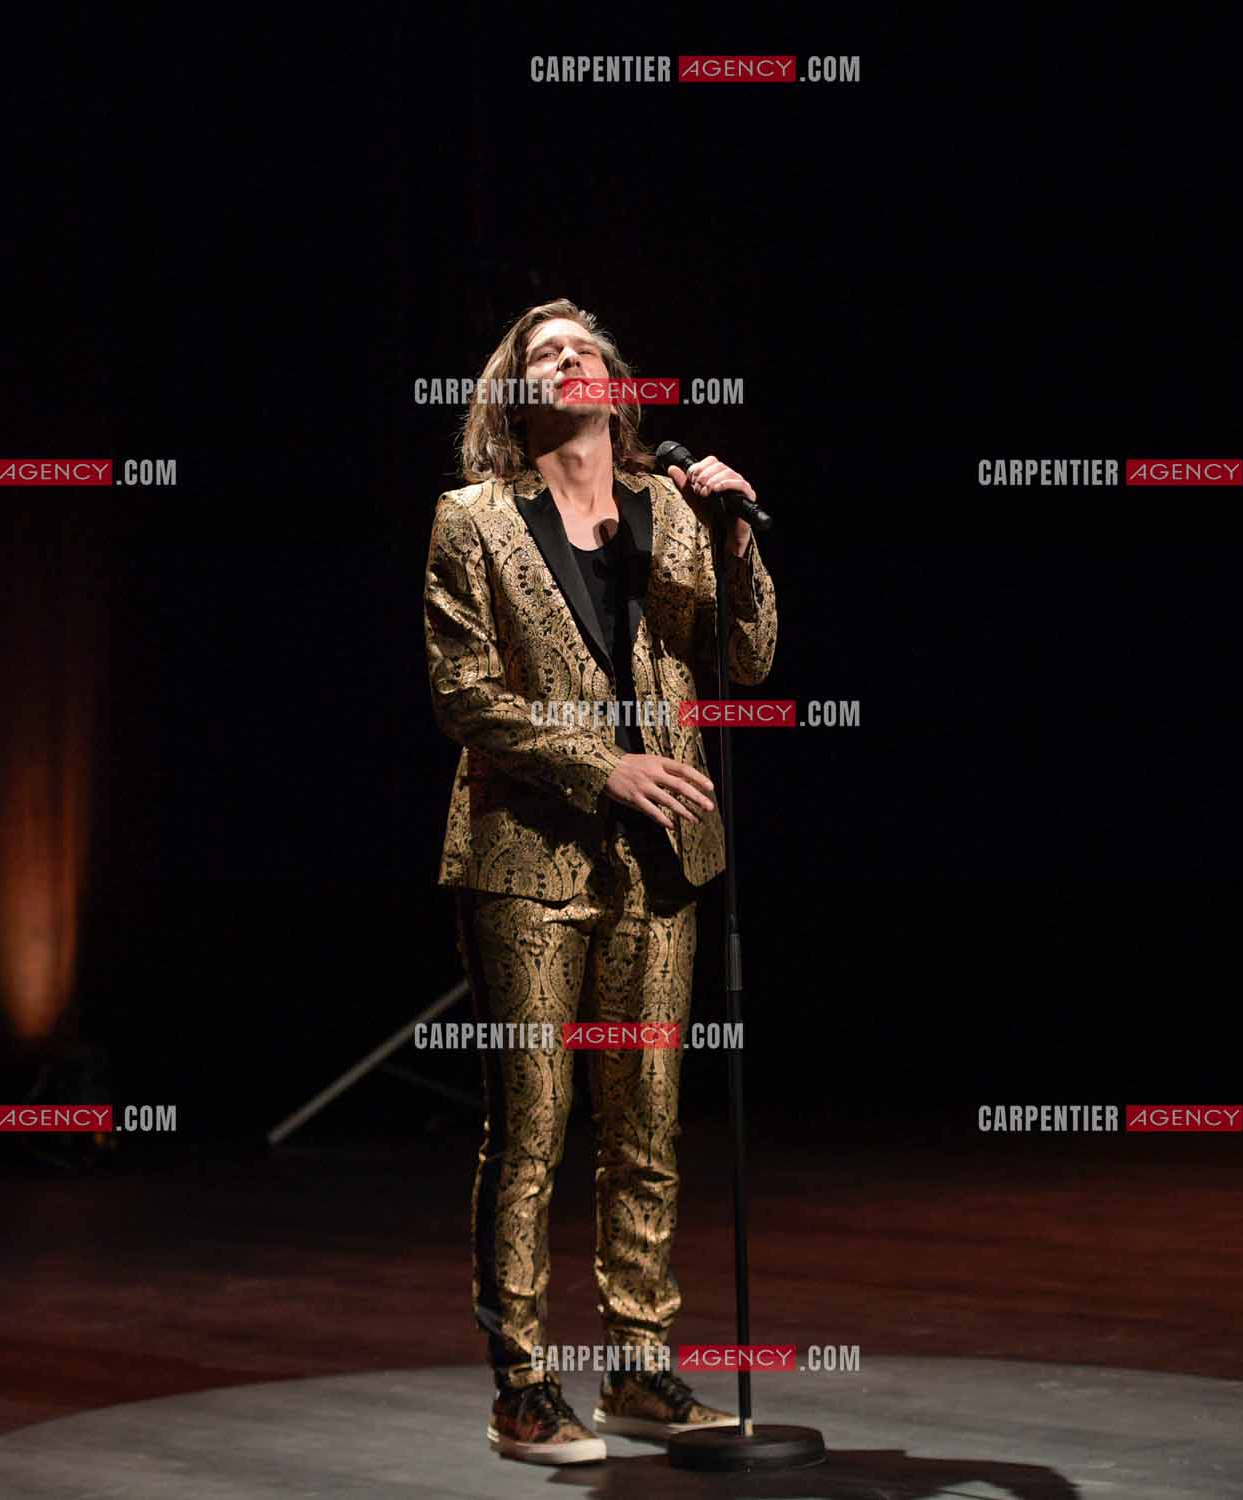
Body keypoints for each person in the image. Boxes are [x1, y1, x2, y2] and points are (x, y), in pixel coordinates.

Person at [422, 298, 778, 1465]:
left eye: (583, 347)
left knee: (647, 1126)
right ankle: (521, 1386)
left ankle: (638, 1368)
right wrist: (604, 764)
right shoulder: (473, 519)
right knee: (531, 1127)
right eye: (541, 354)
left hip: (662, 860)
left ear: (619, 383)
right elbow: (464, 695)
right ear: (517, 391)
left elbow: (751, 656)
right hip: (527, 853)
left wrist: (734, 539)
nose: (565, 360)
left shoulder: (674, 510)